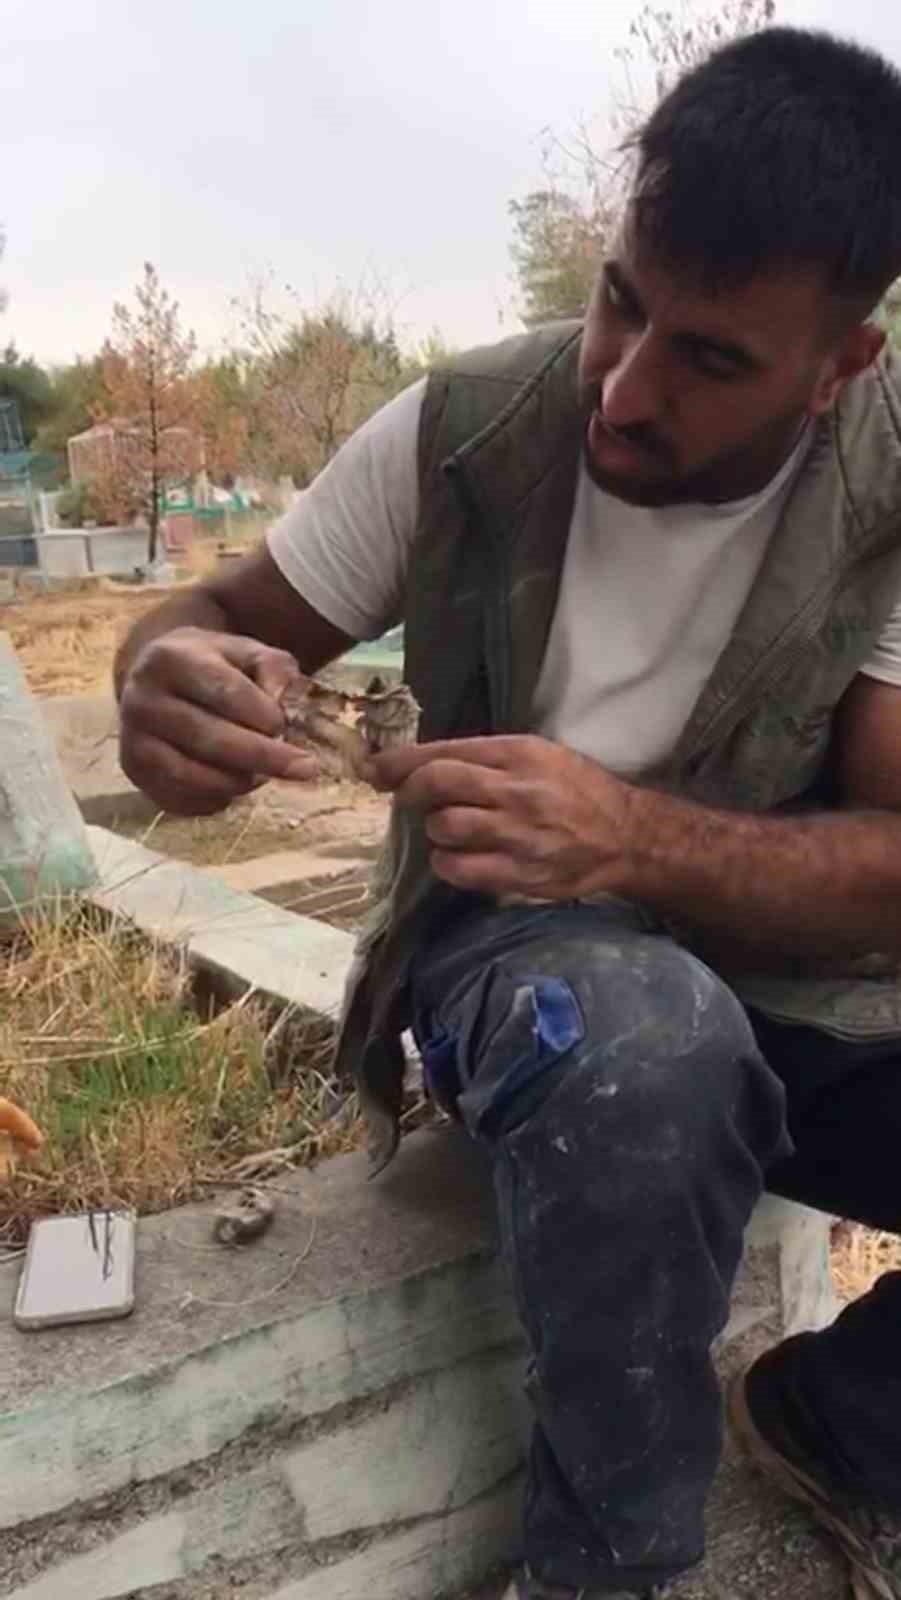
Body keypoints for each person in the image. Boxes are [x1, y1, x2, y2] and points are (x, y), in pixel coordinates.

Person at [116, 27, 901, 1599]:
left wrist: (632, 836)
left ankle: (844, 1422)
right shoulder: (468, 424)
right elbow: (204, 619)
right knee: (639, 1042)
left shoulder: (892, 491)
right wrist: (165, 682)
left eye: (711, 358)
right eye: (621, 299)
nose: (622, 387)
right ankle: (600, 1572)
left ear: (841, 367)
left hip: (806, 976)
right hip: (524, 960)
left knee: (689, 1018)